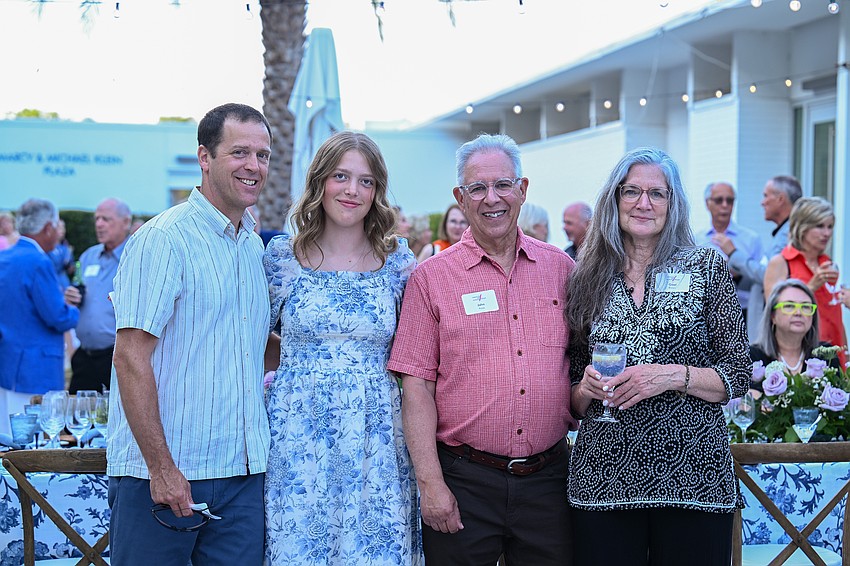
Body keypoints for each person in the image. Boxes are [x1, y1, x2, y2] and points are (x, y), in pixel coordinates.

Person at [389, 133, 576, 565]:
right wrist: (431, 486)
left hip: (548, 482)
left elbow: (583, 365)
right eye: (477, 188)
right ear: (460, 195)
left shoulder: (562, 270)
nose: (492, 198)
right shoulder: (431, 278)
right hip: (464, 481)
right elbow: (416, 388)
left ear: (523, 189)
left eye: (503, 185)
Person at [566, 147, 750, 565]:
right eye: (631, 191)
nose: (643, 204)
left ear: (674, 202)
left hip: (694, 477)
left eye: (657, 193)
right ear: (614, 200)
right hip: (604, 478)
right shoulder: (586, 274)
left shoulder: (706, 266)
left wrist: (670, 375)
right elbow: (572, 395)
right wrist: (586, 388)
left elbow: (737, 372)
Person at [107, 103, 273, 565]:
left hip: (242, 479)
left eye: (263, 155)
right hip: (165, 479)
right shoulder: (164, 239)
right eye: (239, 152)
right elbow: (129, 357)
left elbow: (250, 347)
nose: (254, 166)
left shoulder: (250, 244)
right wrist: (162, 469)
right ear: (204, 157)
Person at [263, 131, 422, 564]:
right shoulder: (281, 257)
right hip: (297, 434)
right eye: (341, 177)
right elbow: (250, 339)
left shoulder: (399, 263)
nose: (353, 191)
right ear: (320, 182)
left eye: (366, 181)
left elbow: (418, 353)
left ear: (377, 192)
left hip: (379, 434)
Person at [0, 198, 79, 434]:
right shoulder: (38, 261)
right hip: (36, 369)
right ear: (47, 228)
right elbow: (58, 317)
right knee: (35, 447)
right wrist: (74, 309)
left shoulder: (6, 257)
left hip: (7, 364)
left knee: (8, 443)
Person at [763, 196, 847, 365]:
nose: (827, 233)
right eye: (819, 226)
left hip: (834, 354)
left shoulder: (828, 264)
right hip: (801, 356)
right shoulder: (781, 262)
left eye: (830, 226)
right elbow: (773, 310)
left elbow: (835, 316)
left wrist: (846, 353)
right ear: (802, 227)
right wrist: (811, 287)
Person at [718, 176, 802, 343]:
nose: (762, 202)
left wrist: (734, 254)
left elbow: (770, 275)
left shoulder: (789, 233)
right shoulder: (783, 232)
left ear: (780, 199)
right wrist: (737, 275)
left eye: (766, 196)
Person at [64, 198, 132, 394]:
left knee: (112, 419)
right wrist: (71, 295)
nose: (99, 224)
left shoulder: (134, 256)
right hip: (84, 356)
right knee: (76, 417)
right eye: (96, 219)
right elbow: (77, 284)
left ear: (125, 222)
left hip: (115, 357)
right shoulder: (87, 256)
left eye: (106, 219)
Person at [696, 182, 763, 332]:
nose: (725, 205)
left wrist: (738, 269)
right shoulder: (695, 240)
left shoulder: (751, 239)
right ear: (708, 204)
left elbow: (760, 278)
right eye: (719, 200)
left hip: (742, 312)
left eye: (730, 200)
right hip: (705, 314)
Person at [751, 279, 824, 382]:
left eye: (806, 307)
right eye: (789, 306)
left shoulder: (825, 356)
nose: (798, 313)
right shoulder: (752, 357)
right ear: (773, 316)